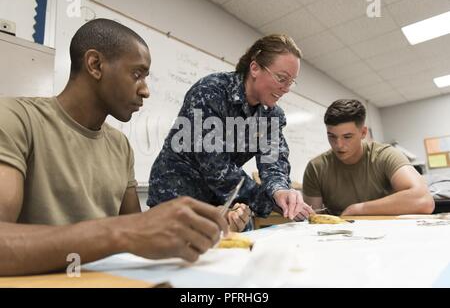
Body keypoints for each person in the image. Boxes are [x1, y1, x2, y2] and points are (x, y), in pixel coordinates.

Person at [0, 18, 230, 276]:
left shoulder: (120, 146)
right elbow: (128, 230)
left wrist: (193, 227)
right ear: (95, 65)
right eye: (137, 74)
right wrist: (122, 232)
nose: (145, 91)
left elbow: (137, 232)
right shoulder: (15, 120)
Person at [148, 34, 315, 223]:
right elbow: (215, 167)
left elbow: (273, 163)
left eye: (291, 82)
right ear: (255, 68)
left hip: (219, 203)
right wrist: (270, 202)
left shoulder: (271, 116)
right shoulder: (210, 92)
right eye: (281, 78)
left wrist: (280, 190)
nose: (286, 89)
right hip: (175, 197)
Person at [302, 99, 435, 216]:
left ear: (363, 132)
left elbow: (424, 200)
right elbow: (314, 218)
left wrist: (358, 209)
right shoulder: (316, 167)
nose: (339, 145)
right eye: (332, 136)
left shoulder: (385, 155)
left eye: (347, 137)